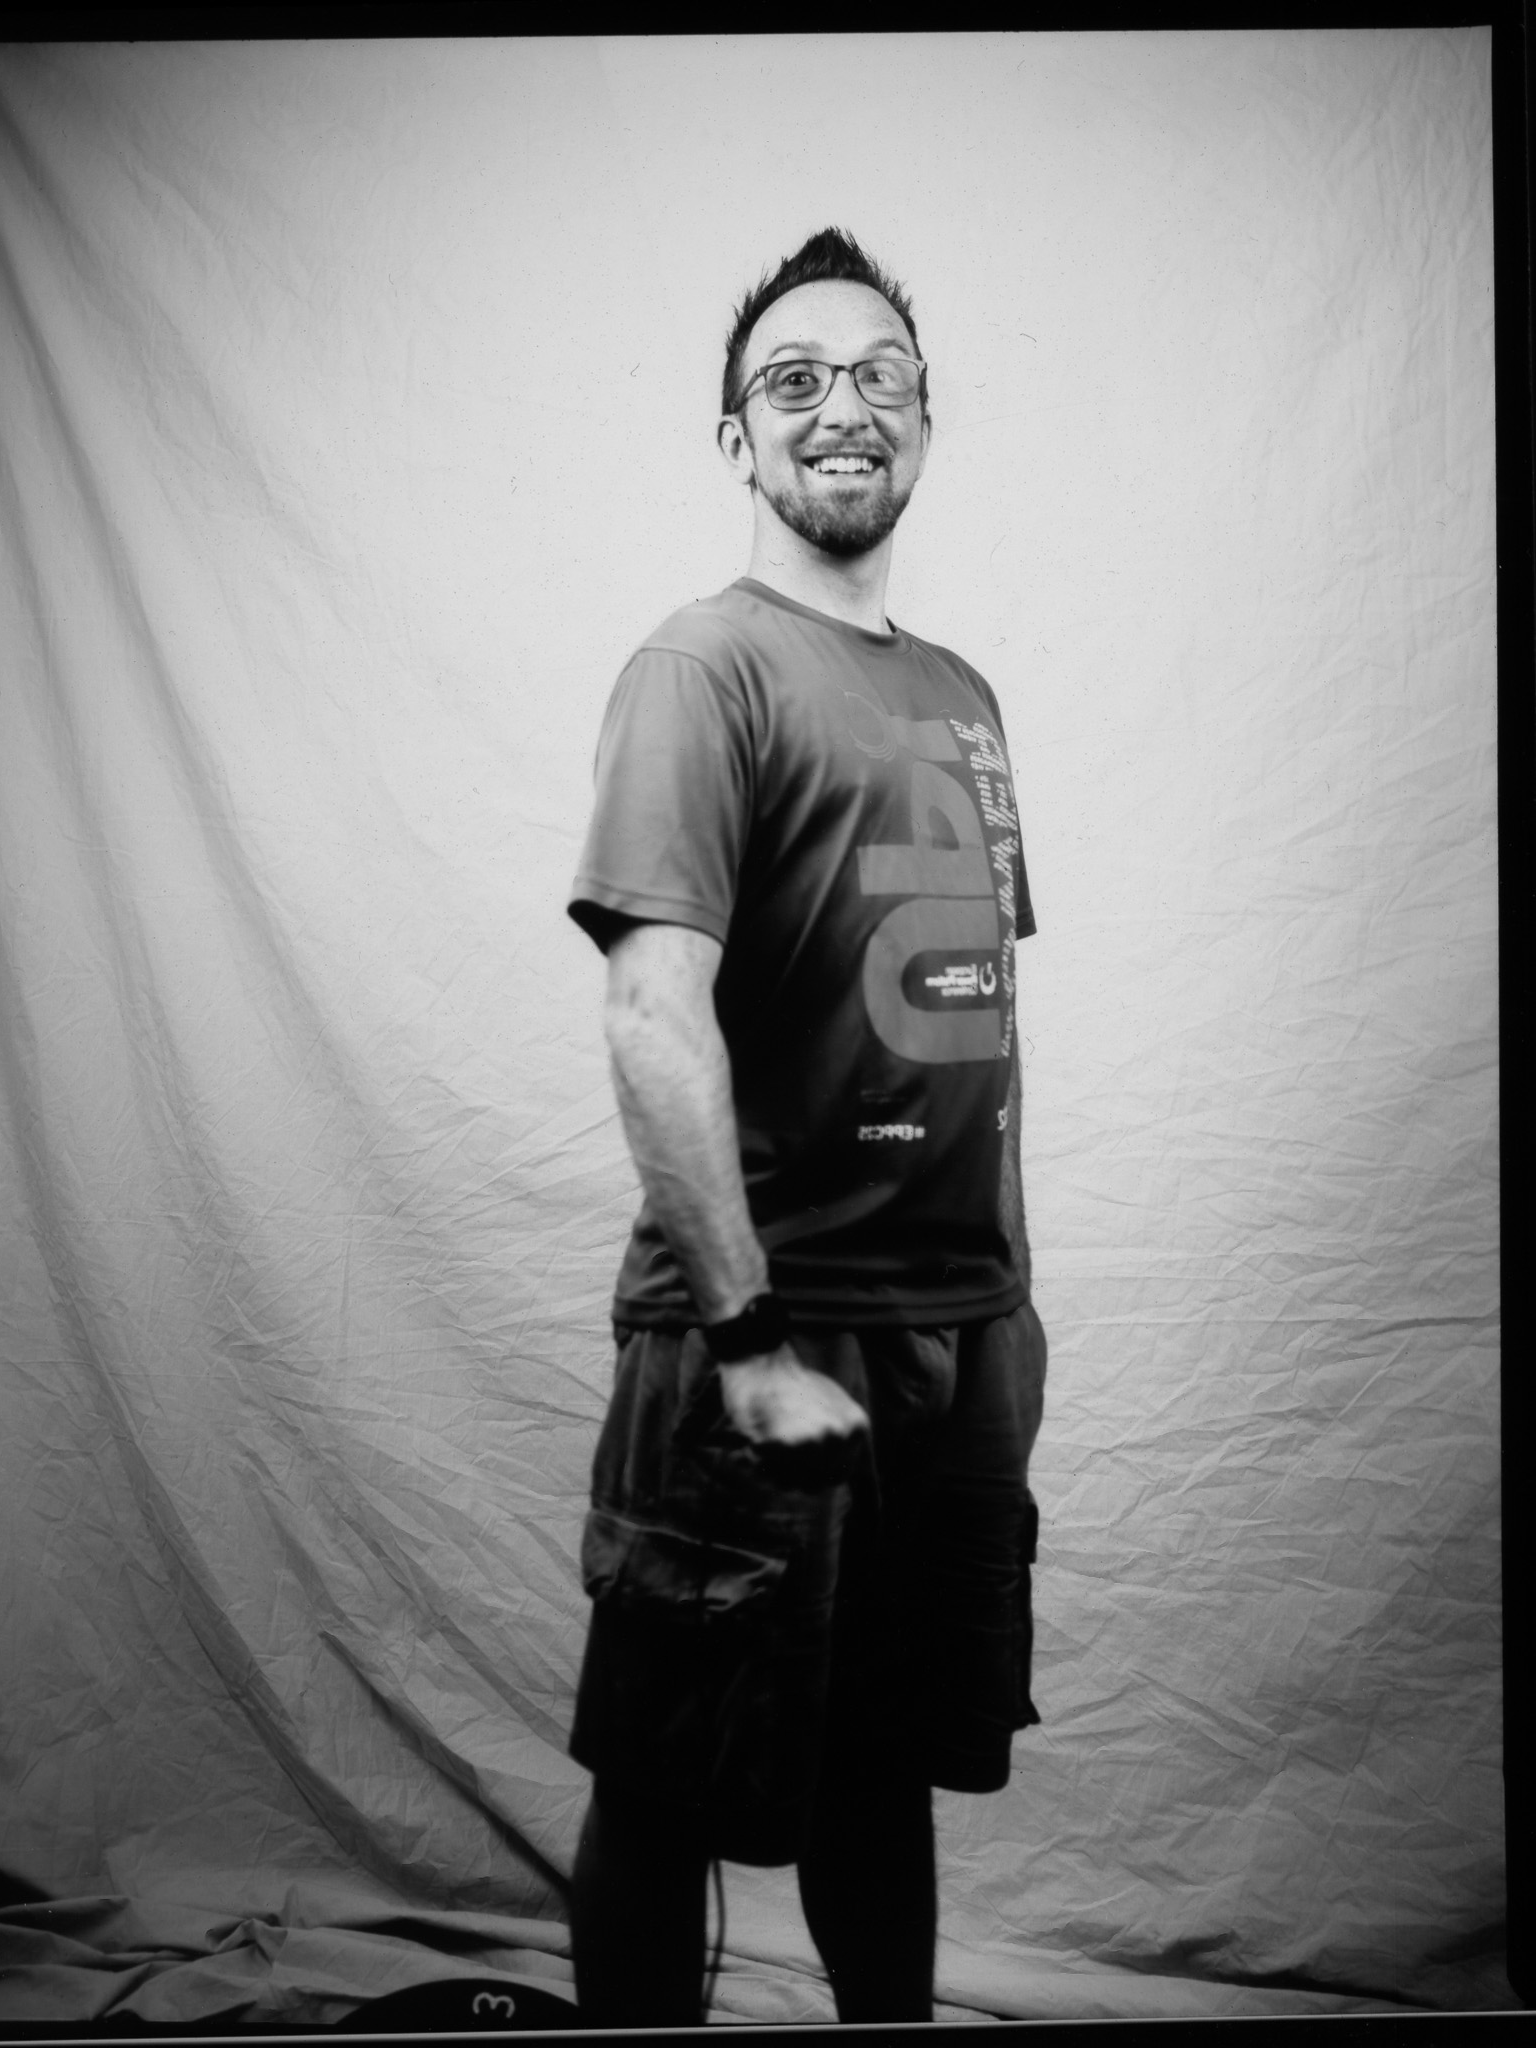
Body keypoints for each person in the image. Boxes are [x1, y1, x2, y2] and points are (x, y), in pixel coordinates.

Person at [563, 227, 1046, 2027]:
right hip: (755, 1330)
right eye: (792, 382)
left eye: (877, 379)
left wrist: (1012, 1310)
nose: (839, 410)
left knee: (885, 1766)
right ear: (733, 438)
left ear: (923, 419)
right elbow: (646, 1005)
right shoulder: (701, 670)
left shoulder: (965, 695)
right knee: (670, 1776)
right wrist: (746, 1335)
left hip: (957, 1341)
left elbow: (975, 1022)